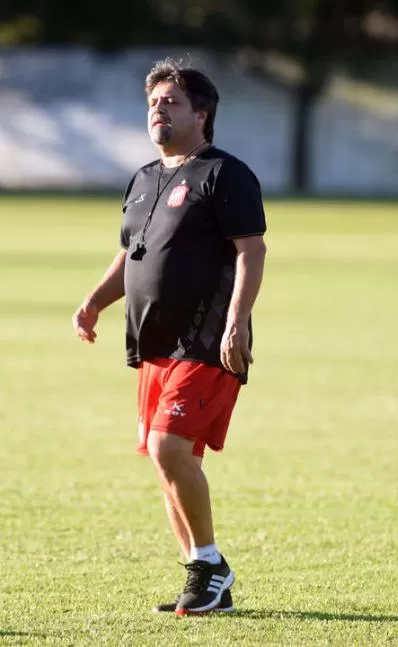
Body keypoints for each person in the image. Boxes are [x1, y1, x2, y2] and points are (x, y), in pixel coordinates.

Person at [72, 58, 267, 616]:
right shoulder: (143, 179)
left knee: (168, 447)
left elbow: (251, 251)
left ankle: (208, 564)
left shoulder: (225, 174)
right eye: (154, 101)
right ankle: (203, 573)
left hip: (206, 340)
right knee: (164, 460)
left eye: (172, 101)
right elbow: (130, 253)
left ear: (201, 114)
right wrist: (93, 303)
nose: (159, 109)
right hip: (152, 342)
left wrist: (235, 322)